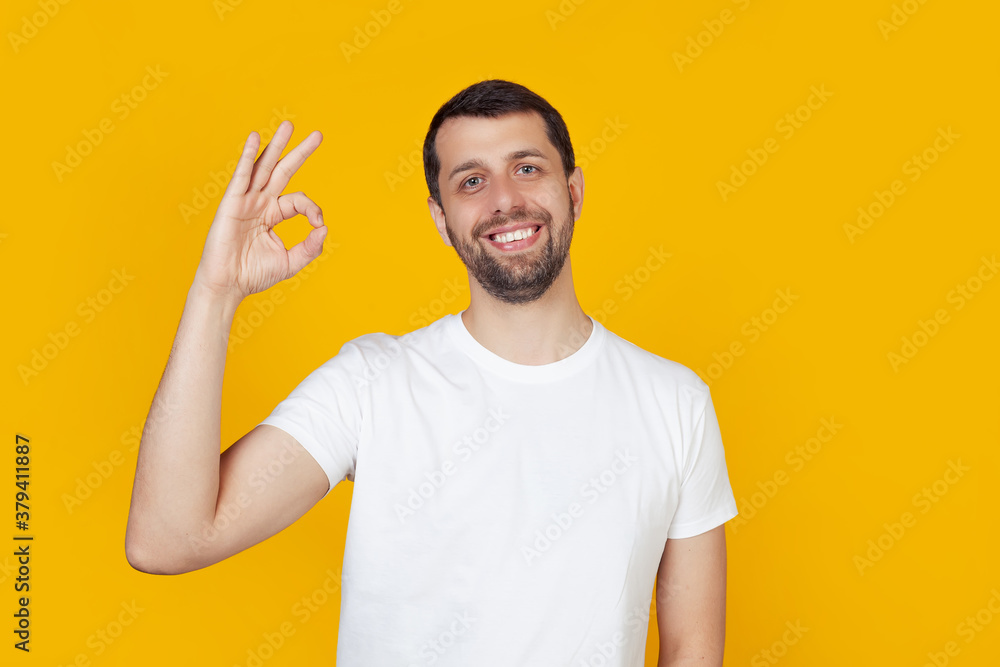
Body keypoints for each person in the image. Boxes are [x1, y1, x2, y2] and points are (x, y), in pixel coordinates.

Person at [125, 79, 739, 666]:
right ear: (440, 217)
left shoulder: (675, 403)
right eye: (471, 180)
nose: (505, 199)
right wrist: (216, 293)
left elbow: (692, 652)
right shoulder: (371, 385)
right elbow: (168, 540)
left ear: (574, 191)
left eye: (527, 167)